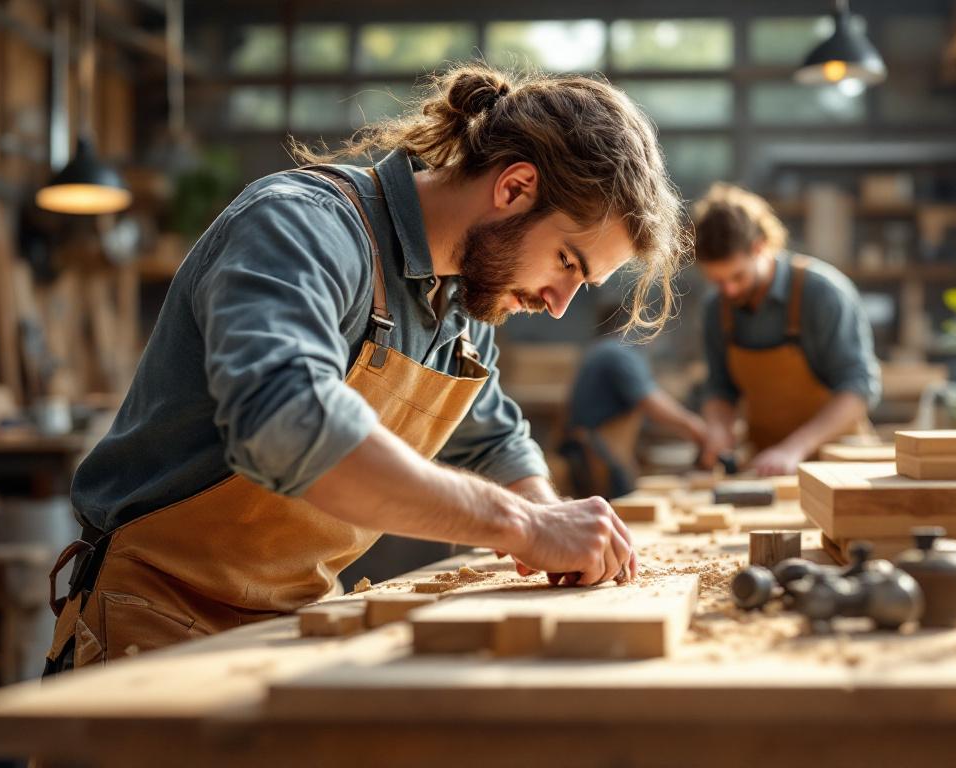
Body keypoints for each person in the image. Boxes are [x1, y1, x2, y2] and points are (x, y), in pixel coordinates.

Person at [44, 64, 689, 671]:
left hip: (290, 622)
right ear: (514, 188)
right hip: (148, 621)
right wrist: (523, 526)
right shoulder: (304, 227)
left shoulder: (463, 301)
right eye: (568, 264)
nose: (558, 306)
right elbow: (289, 426)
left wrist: (554, 523)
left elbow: (494, 438)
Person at [692, 183, 880, 477]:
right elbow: (719, 387)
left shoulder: (823, 295)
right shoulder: (716, 308)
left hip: (839, 462)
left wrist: (795, 447)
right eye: (717, 281)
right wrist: (718, 427)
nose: (728, 290)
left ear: (760, 247)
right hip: (767, 466)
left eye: (737, 276)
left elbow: (858, 388)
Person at [559, 306, 709, 499]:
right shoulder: (618, 353)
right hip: (595, 452)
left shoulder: (602, 349)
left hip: (595, 447)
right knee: (619, 505)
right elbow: (651, 402)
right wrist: (696, 428)